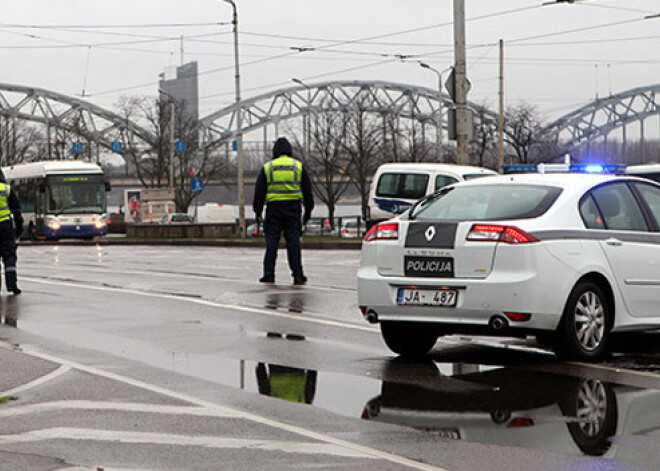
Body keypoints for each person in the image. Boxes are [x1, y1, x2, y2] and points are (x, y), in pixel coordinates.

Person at [253, 137, 314, 285]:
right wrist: (307, 213)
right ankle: (298, 275)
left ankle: (269, 274)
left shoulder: (268, 167)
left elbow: (259, 193)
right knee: (293, 242)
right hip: (293, 209)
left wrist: (257, 212)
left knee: (272, 242)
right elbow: (308, 192)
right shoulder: (298, 167)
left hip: (274, 209)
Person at [0, 170, 23, 295]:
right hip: (5, 226)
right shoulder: (7, 189)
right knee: (9, 256)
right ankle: (12, 285)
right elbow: (16, 211)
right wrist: (19, 228)